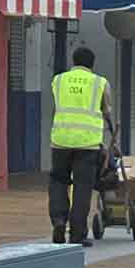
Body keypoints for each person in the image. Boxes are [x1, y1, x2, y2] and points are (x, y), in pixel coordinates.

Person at [48, 45, 114, 246]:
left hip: (60, 141)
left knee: (58, 181)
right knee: (82, 188)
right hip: (88, 144)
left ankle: (59, 221)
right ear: (92, 65)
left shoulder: (58, 80)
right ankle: (77, 234)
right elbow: (107, 110)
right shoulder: (100, 83)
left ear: (73, 61)